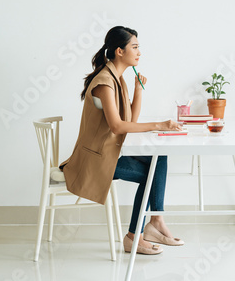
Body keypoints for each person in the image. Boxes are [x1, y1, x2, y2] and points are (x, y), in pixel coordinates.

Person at [59, 26, 184, 255]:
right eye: (134, 47)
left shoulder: (118, 78)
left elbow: (130, 121)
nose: (139, 52)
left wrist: (138, 91)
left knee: (159, 158)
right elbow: (117, 126)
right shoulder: (105, 82)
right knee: (151, 175)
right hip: (97, 159)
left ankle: (155, 221)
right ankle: (135, 235)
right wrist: (160, 125)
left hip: (110, 152)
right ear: (119, 51)